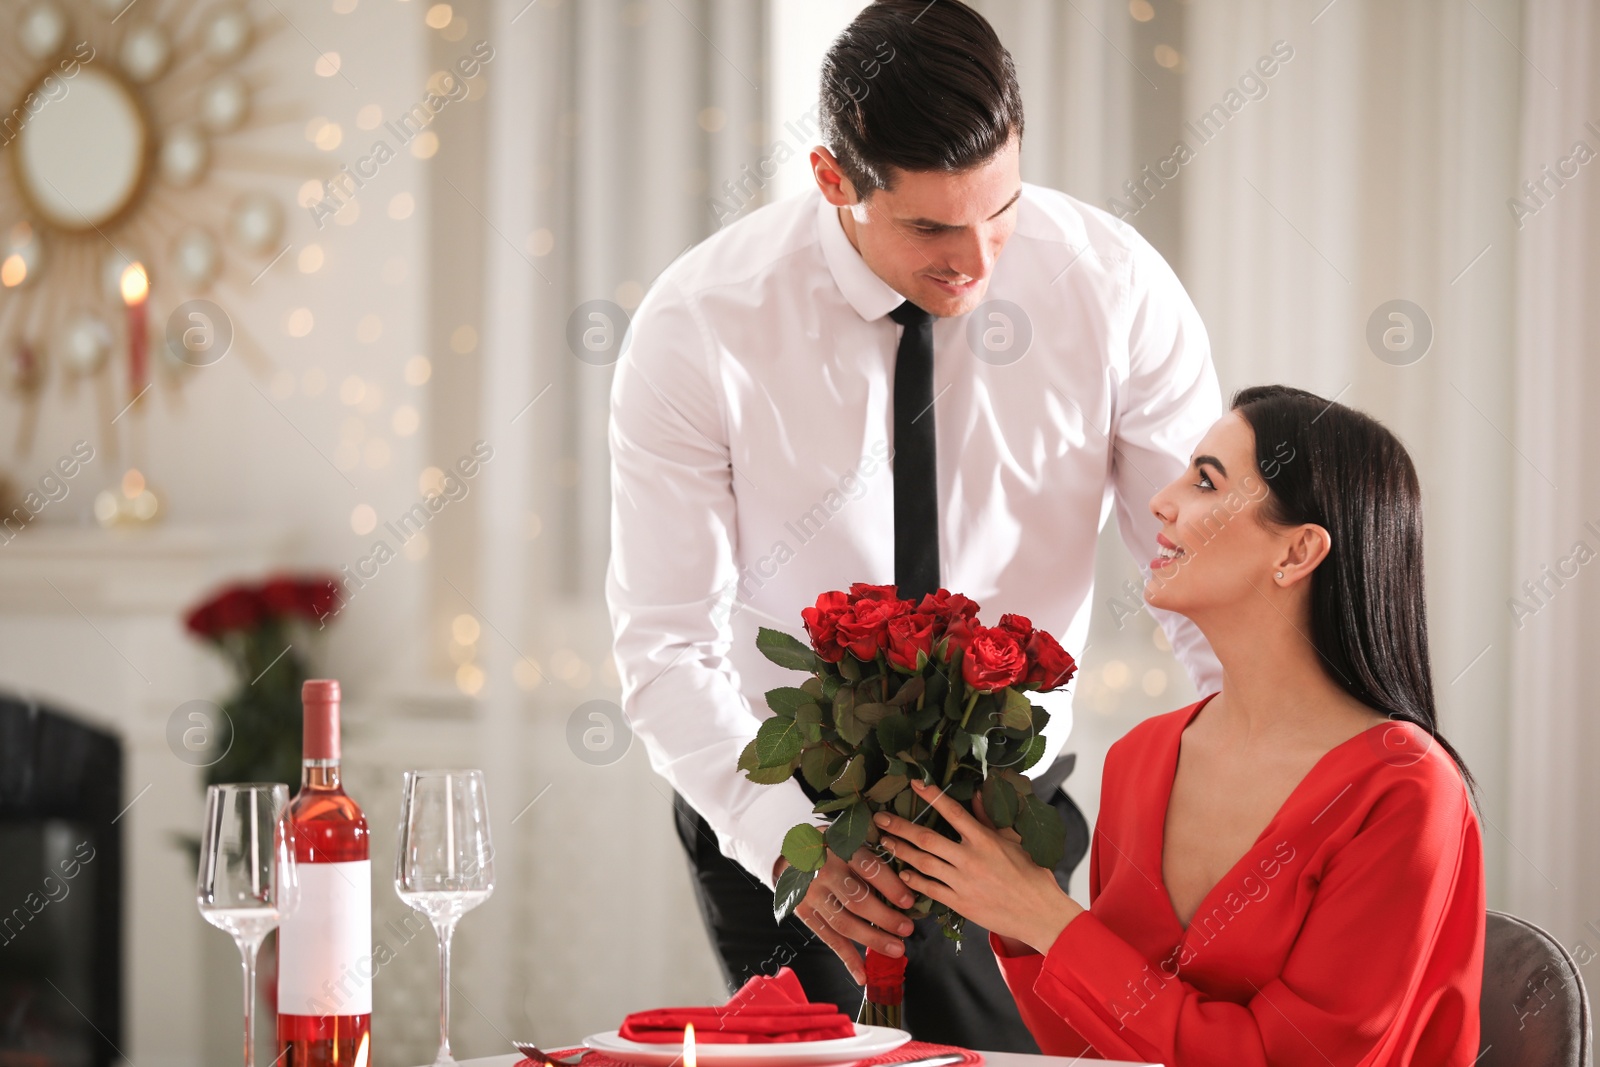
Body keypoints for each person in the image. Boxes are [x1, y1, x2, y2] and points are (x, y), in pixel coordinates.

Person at [605, 0, 1224, 1048]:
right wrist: (785, 842)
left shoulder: (1114, 290)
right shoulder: (699, 325)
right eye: (931, 228)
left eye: (1002, 212)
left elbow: (1205, 584)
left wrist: (1263, 799)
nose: (976, 263)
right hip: (778, 817)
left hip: (1010, 814)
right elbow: (666, 644)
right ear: (831, 179)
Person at [872, 385, 1487, 1064]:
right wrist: (1017, 914)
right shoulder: (1142, 756)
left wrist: (1048, 919)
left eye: (1205, 481)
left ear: (1296, 552)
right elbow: (1095, 1045)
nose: (1161, 501)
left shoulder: (1404, 790)